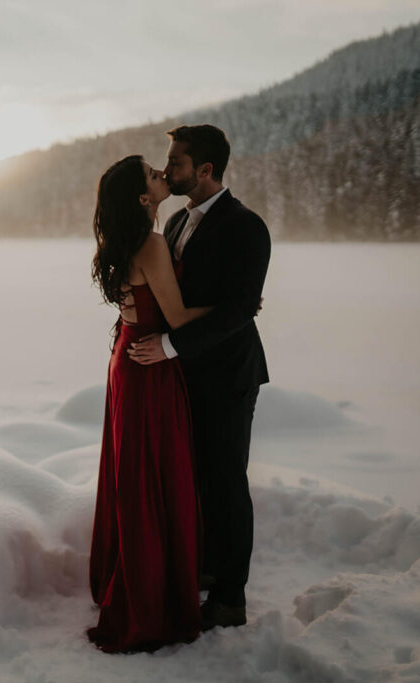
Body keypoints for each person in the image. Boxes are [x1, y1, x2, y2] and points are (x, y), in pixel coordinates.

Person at [128, 124, 270, 631]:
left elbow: (236, 313)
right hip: (184, 375)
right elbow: (174, 297)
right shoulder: (176, 224)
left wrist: (166, 346)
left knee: (226, 480)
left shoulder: (245, 226)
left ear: (205, 170)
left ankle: (231, 597)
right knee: (196, 475)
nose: (169, 171)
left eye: (178, 164)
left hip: (229, 375)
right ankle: (204, 566)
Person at [87, 154, 212, 653]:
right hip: (149, 366)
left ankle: (136, 577)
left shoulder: (120, 241)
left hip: (129, 359)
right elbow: (179, 318)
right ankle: (149, 598)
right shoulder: (153, 242)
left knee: (136, 474)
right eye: (153, 176)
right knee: (150, 478)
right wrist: (236, 306)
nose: (162, 175)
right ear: (144, 198)